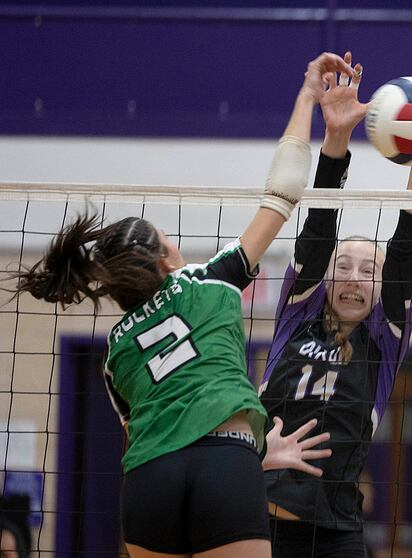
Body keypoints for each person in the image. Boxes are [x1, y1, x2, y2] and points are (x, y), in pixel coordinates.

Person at [9, 52, 356, 558]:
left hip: (149, 481)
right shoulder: (209, 281)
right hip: (226, 466)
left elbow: (164, 429)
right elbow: (284, 191)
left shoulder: (115, 351)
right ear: (166, 260)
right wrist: (306, 95)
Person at [258, 54, 412, 557]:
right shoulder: (297, 314)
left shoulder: (384, 338)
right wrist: (335, 141)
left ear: (382, 290)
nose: (355, 277)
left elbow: (405, 249)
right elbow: (317, 233)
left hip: (337, 531)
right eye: (344, 266)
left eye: (368, 270)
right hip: (257, 520)